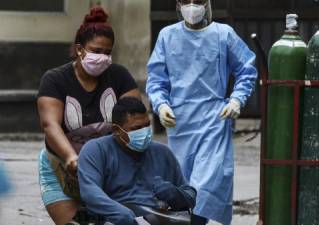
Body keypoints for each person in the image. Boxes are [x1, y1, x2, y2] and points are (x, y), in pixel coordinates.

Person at [146, 0, 258, 224]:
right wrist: (161, 104)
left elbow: (247, 69)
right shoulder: (167, 36)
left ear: (207, 3)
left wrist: (236, 99)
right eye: (186, 1)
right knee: (182, 187)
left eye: (197, 1)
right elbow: (156, 79)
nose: (192, 6)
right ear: (178, 4)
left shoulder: (223, 35)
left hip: (214, 119)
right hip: (180, 122)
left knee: (206, 185)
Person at [36, 6, 141, 225]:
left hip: (109, 170)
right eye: (96, 51)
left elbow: (135, 119)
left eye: (107, 53)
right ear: (80, 49)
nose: (102, 57)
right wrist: (71, 157)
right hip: (63, 171)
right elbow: (50, 125)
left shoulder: (119, 76)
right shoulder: (55, 79)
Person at [78, 97, 196, 225]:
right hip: (116, 219)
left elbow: (190, 194)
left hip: (159, 217)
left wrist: (175, 194)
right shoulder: (96, 150)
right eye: (136, 128)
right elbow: (90, 192)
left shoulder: (162, 152)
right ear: (117, 130)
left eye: (147, 125)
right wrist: (122, 214)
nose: (144, 132)